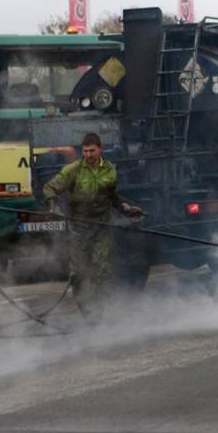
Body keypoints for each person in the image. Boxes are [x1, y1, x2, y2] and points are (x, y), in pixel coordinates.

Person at [43, 133, 142, 319]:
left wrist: (125, 208)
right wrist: (52, 206)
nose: (88, 155)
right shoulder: (73, 170)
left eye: (92, 151)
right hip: (79, 230)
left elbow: (112, 197)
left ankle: (96, 310)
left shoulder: (110, 170)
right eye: (85, 151)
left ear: (100, 149)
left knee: (102, 272)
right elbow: (50, 188)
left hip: (102, 229)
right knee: (79, 274)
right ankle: (87, 312)